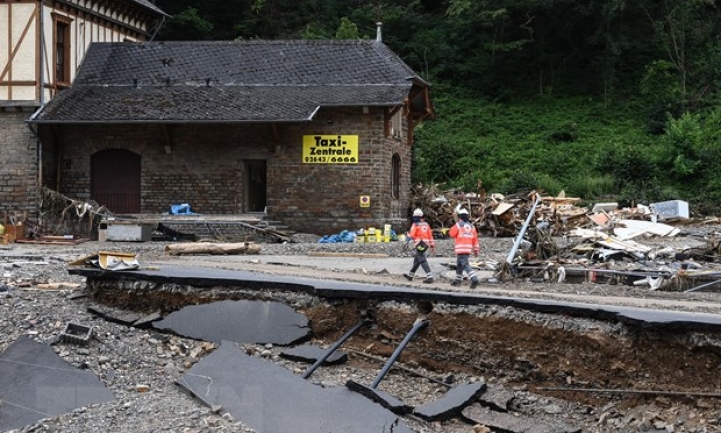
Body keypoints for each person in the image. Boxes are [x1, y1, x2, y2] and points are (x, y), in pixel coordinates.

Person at [448, 208, 480, 288]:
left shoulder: (458, 224)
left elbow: (451, 234)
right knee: (459, 265)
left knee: (465, 264)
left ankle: (474, 279)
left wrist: (456, 224)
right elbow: (475, 239)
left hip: (460, 248)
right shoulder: (472, 226)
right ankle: (458, 281)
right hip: (468, 249)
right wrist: (476, 250)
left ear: (460, 216)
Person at [403, 208, 436, 283]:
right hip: (426, 244)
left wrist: (407, 235)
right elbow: (430, 236)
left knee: (422, 260)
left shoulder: (415, 224)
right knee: (417, 260)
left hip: (419, 244)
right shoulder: (426, 224)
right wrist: (432, 246)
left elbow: (411, 235)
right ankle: (410, 276)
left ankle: (430, 277)